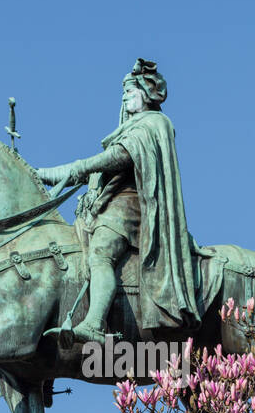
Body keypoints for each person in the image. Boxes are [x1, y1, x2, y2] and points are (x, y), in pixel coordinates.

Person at [38, 59, 200, 341]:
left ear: (145, 94)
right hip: (110, 206)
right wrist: (43, 174)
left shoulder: (154, 123)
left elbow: (120, 157)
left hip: (130, 208)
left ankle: (95, 324)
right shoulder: (130, 127)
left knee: (101, 252)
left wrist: (77, 167)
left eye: (130, 92)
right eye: (124, 93)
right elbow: (96, 168)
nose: (124, 97)